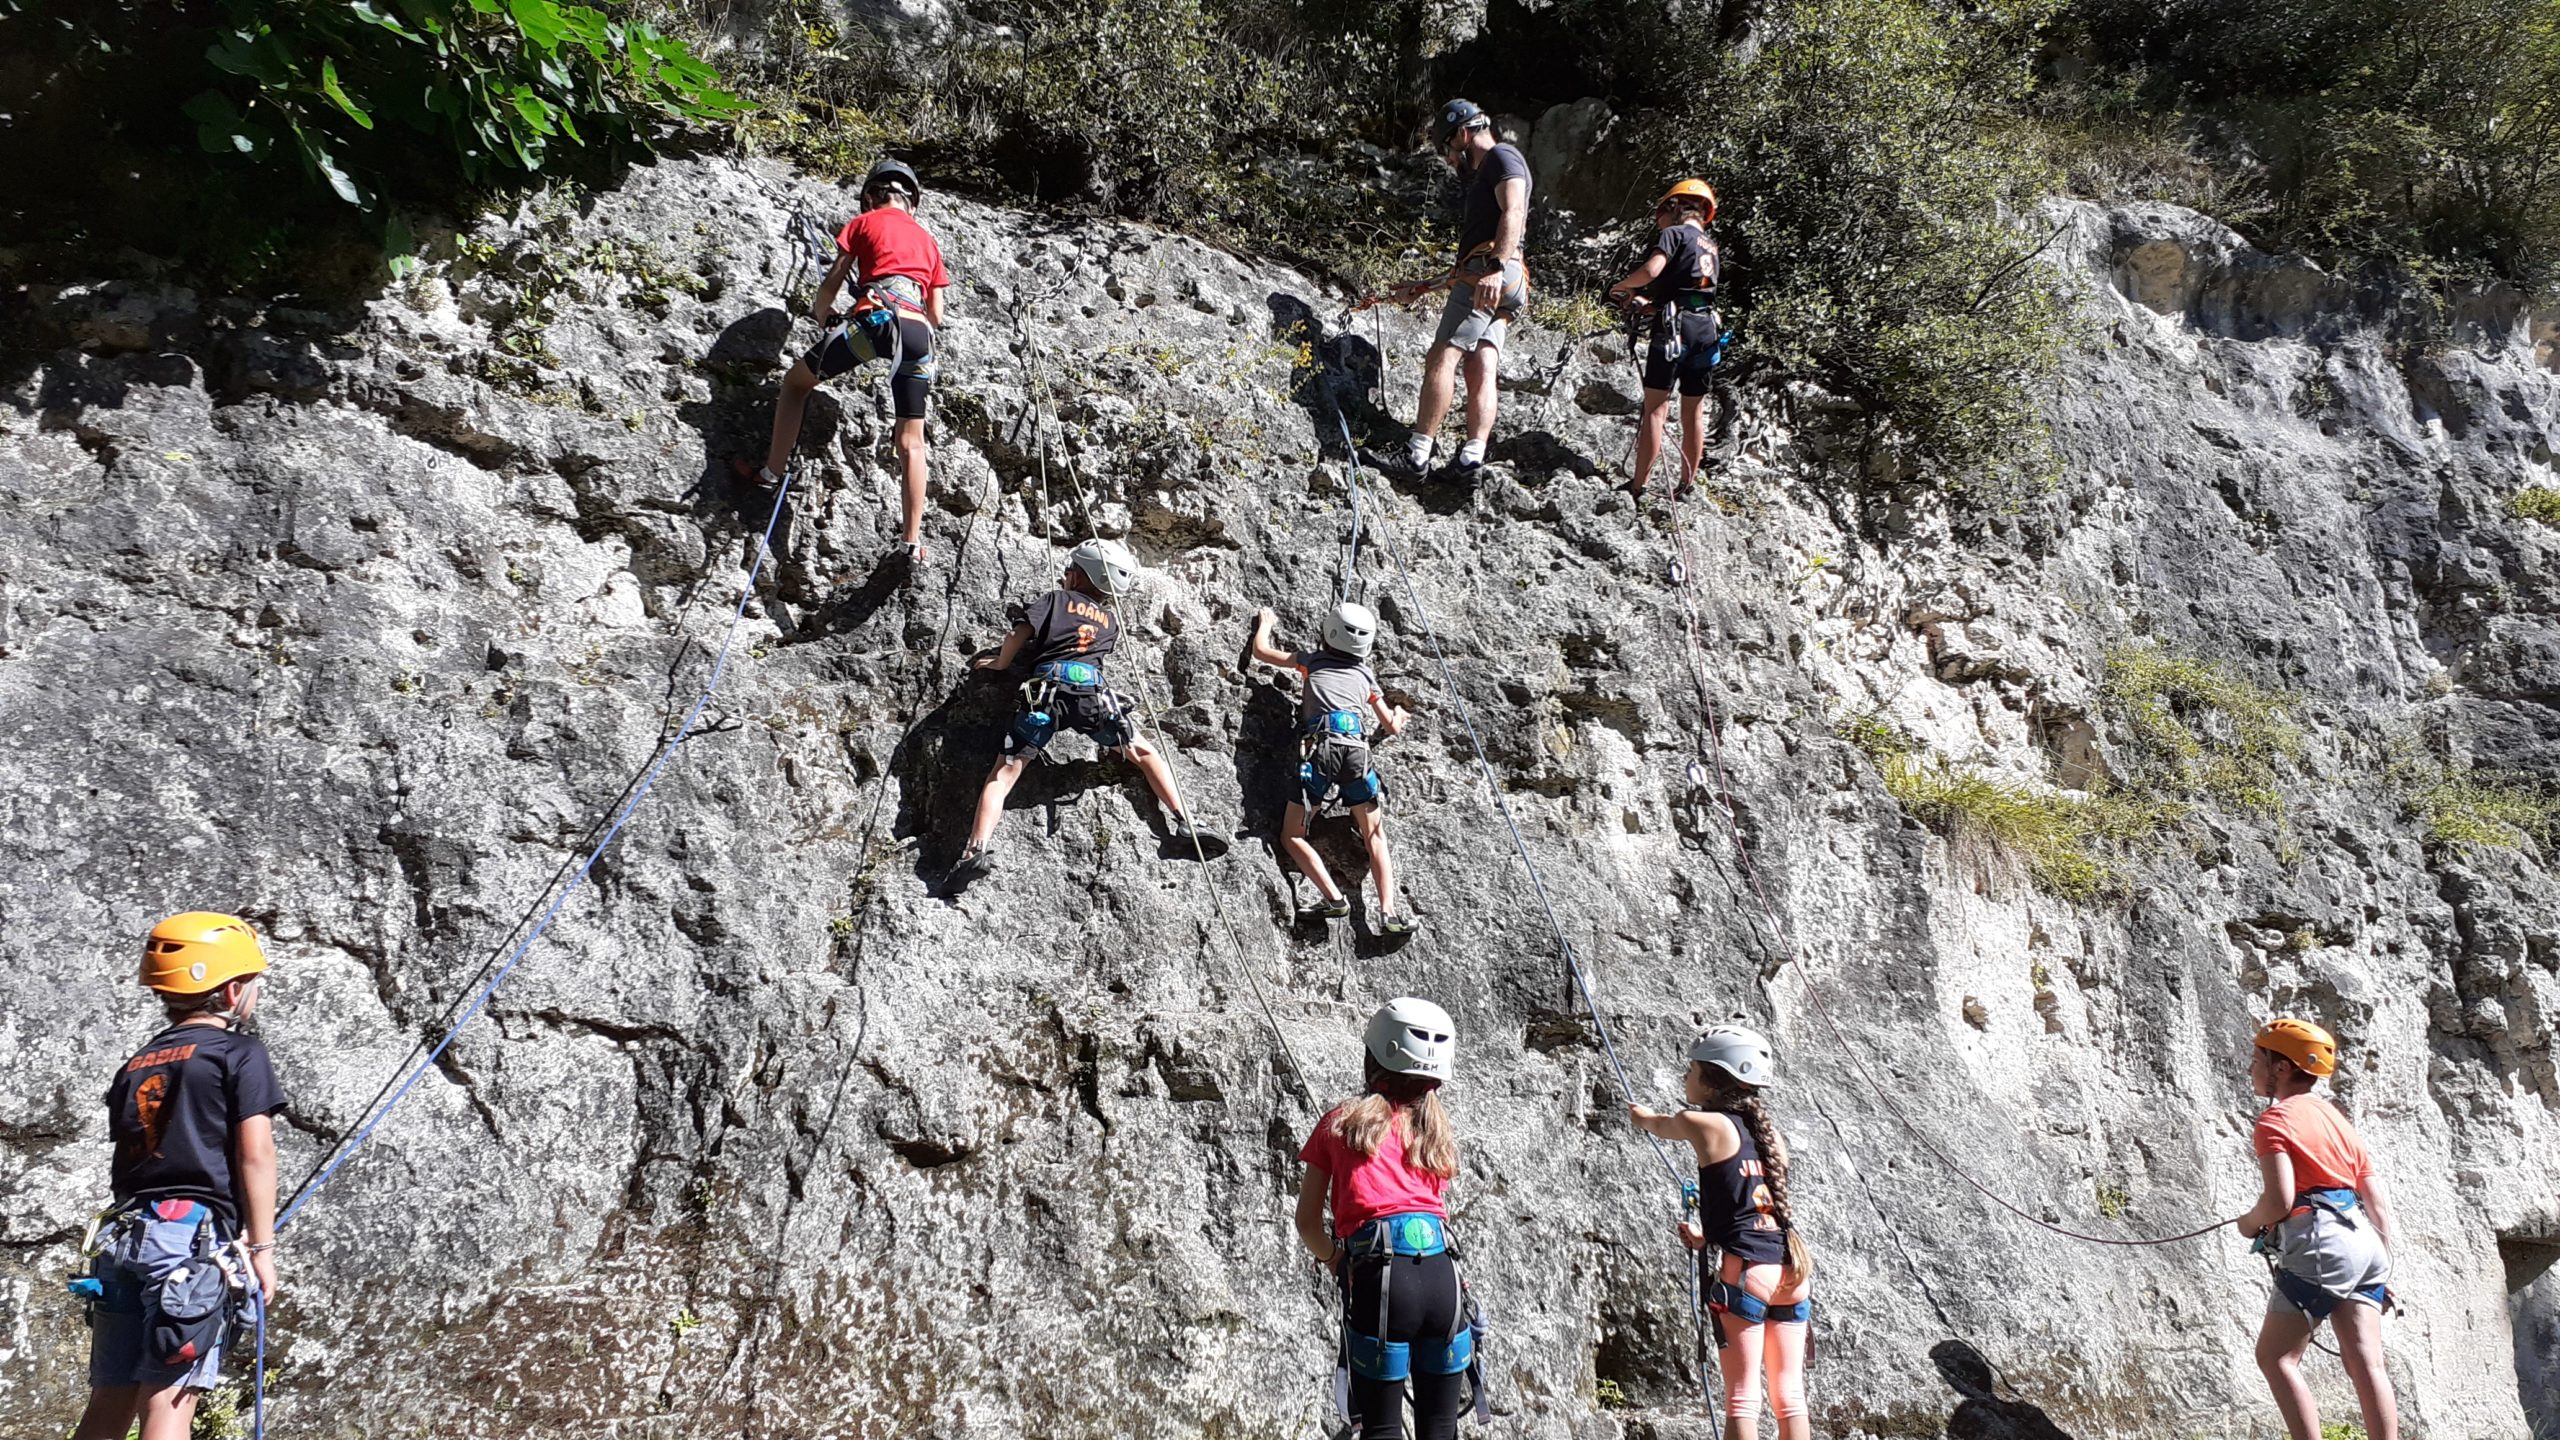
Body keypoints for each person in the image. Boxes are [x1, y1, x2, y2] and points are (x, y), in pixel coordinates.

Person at [73, 913, 285, 1440]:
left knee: (110, 1401)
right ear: (233, 990)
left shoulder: (138, 1062)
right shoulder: (238, 1052)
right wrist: (262, 1249)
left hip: (122, 1240)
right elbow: (255, 1154)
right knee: (168, 1402)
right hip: (187, 1246)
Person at [951, 538, 1226, 882]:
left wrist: (1000, 663)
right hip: (1092, 696)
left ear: (1080, 576)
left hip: (1046, 693)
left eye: (1071, 569)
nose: (1065, 573)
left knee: (1004, 773)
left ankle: (974, 851)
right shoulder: (1109, 622)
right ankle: (1185, 820)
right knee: (1144, 752)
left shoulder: (1054, 599)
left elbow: (1018, 635)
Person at [744, 159, 951, 565]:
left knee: (795, 385)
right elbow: (937, 315)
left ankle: (771, 474)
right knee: (911, 441)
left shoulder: (863, 223)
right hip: (917, 334)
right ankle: (911, 543)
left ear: (871, 196)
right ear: (911, 203)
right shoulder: (929, 243)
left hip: (875, 321)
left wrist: (824, 314)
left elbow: (834, 279)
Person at [1295, 997, 1480, 1440]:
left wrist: (1335, 1260)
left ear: (1372, 1058)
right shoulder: (1433, 1132)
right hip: (1443, 1279)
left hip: (1383, 1281)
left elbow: (1307, 1223)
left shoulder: (1339, 1123)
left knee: (1381, 1430)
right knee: (1441, 1428)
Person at [1627, 1022, 1812, 1440]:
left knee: (1743, 1399)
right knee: (1790, 1397)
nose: (1685, 1077)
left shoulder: (1702, 1122)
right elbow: (1754, 1201)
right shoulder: (1770, 1136)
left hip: (1746, 1272)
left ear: (1713, 1080)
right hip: (1790, 1269)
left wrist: (1639, 1116)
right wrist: (1707, 1237)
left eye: (1692, 1070)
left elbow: (1657, 1124)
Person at [2235, 1018, 2399, 1440]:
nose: (2251, 1068)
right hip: (2367, 1244)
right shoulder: (2338, 1120)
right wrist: (2384, 1270)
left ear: (2281, 1068)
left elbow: (2279, 1201)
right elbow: (2377, 1204)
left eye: (2257, 1059)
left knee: (2276, 1358)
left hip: (2324, 1243)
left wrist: (2249, 1223)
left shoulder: (2275, 1121)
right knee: (2367, 1363)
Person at [1247, 600, 1416, 933]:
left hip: (1319, 751)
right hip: (1356, 752)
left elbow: (1262, 652)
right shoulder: (1365, 676)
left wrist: (1265, 623)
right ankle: (1389, 913)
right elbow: (1391, 726)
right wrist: (1399, 714)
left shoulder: (1311, 661)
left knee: (1292, 834)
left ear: (1329, 632)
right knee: (1374, 835)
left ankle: (1334, 899)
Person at [1386, 99, 1531, 479]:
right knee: (1482, 363)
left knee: (1443, 355)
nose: (1450, 160)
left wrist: (1495, 268)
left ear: (1463, 133)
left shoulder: (1501, 157)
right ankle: (1470, 460)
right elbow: (1469, 265)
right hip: (1505, 277)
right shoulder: (1492, 169)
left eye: (1448, 148)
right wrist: (1422, 288)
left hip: (1493, 272)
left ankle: (1417, 454)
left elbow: (1514, 211)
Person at [1604, 180, 1722, 499]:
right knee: (1693, 412)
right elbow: (1692, 293)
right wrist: (1653, 306)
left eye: (1661, 216)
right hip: (1705, 329)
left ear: (1674, 207)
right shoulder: (1711, 246)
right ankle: (1686, 484)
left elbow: (1651, 271)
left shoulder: (1674, 234)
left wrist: (1622, 287)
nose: (1661, 224)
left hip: (1674, 329)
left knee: (1656, 409)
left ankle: (1638, 485)